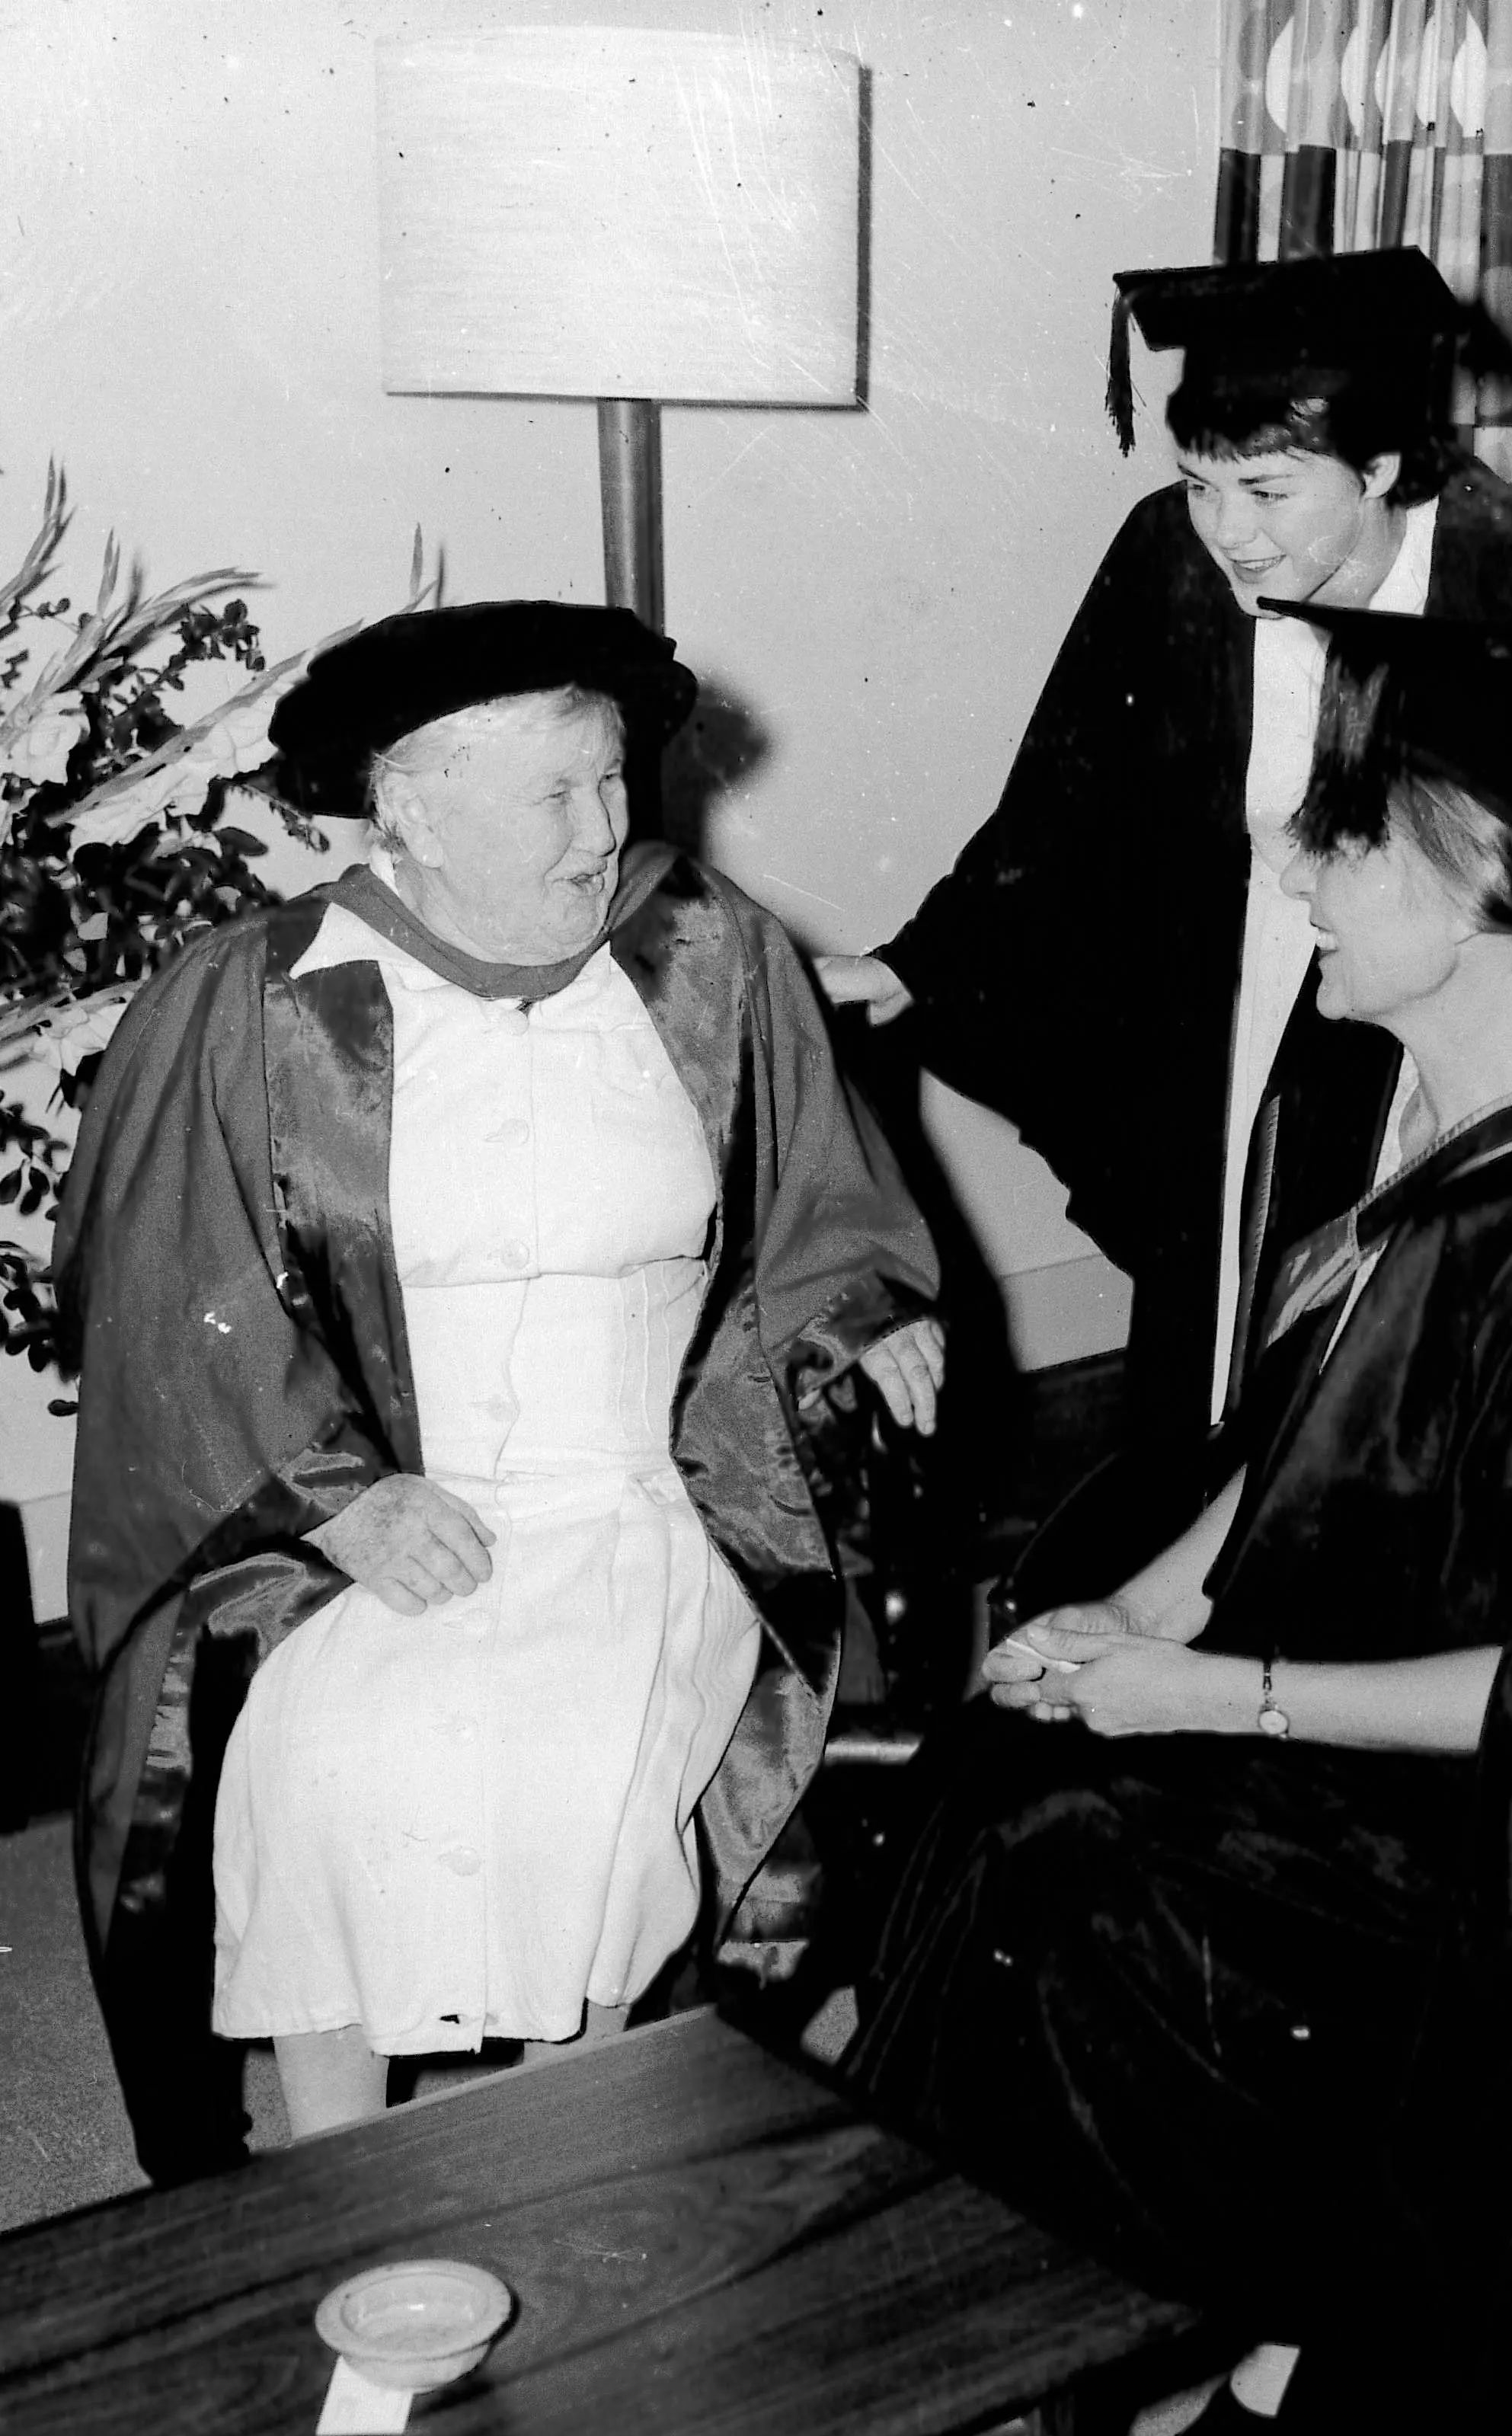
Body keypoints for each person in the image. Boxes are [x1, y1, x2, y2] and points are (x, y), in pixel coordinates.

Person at [842, 609, 1512, 2436]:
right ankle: (1014, 2336)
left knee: (1075, 1876)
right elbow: (1284, 1462)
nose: (1301, 877)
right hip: (1346, 1730)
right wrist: (1111, 1623)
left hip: (1506, 1850)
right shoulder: (1430, 1131)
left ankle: (1013, 2359)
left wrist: (1194, 1694)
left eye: (1347, 843)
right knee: (1003, 1754)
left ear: (1486, 885)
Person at [56, 599, 943, 2182]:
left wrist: (862, 1314)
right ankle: (332, 2184)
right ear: (411, 801)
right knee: (321, 1764)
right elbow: (171, 1303)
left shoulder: (703, 954)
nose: (608, 830)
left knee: (570, 1782)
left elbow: (822, 1204)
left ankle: (560, 2154)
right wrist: (338, 1503)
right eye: (558, 793)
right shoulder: (260, 992)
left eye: (615, 780)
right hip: (384, 1499)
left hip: (655, 1484)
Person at [819, 250, 1512, 1517]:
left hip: (1451, 1025)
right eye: (1198, 483)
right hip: (1254, 985)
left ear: (1381, 469)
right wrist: (914, 965)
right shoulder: (1168, 559)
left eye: (1266, 489)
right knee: (1217, 1316)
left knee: (1419, 1346)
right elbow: (1063, 804)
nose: (1228, 534)